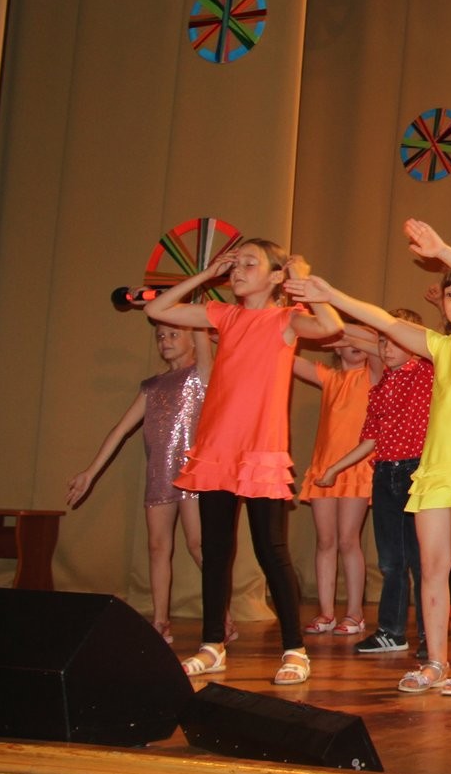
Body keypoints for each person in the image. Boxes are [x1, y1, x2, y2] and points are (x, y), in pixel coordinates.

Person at [288, 221, 451, 696]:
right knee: (432, 568)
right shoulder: (440, 346)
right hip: (435, 470)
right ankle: (435, 661)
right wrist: (331, 294)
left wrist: (444, 251)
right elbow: (385, 322)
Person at [147, 240, 344, 685]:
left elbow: (330, 326)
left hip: (260, 451)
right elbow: (158, 309)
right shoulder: (224, 315)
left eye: (249, 264)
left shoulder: (285, 320)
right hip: (217, 450)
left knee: (270, 550)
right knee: (215, 551)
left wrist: (303, 280)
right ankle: (212, 645)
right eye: (235, 264)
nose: (238, 270)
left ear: (275, 276)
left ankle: (294, 649)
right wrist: (207, 274)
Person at [65, 319, 213, 643]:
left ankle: (220, 616)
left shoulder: (200, 376)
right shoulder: (153, 386)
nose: (165, 341)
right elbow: (120, 430)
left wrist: (192, 309)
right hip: (160, 475)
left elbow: (201, 326)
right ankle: (160, 621)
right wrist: (90, 472)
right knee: (157, 547)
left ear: (193, 339)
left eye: (174, 334)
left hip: (193, 476)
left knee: (197, 544)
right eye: (160, 336)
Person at [316, 311, 433, 658]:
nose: (386, 348)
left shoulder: (426, 372)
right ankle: (391, 631)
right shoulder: (380, 387)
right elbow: (370, 439)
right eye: (382, 342)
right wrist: (334, 468)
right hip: (384, 473)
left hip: (416, 472)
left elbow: (427, 343)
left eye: (394, 341)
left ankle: (430, 634)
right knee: (390, 560)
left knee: (422, 560)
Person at [296, 337, 379, 638]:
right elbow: (286, 357)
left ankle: (355, 613)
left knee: (348, 540)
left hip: (356, 468)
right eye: (346, 340)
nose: (356, 344)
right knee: (326, 541)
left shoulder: (372, 374)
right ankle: (326, 612)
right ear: (335, 346)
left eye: (360, 339)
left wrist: (355, 334)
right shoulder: (329, 377)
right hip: (324, 468)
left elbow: (376, 348)